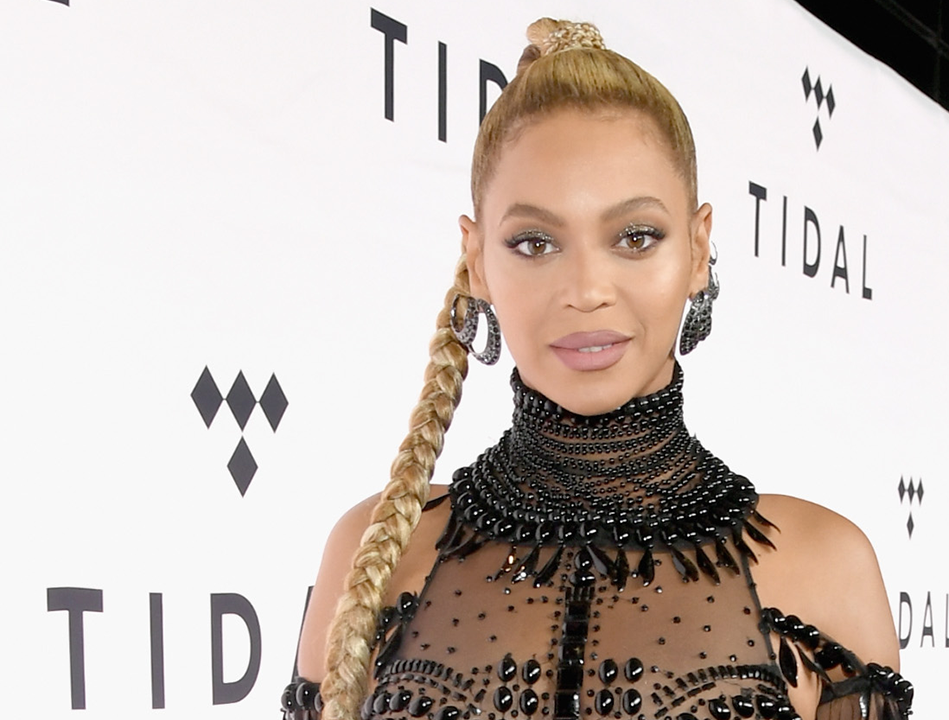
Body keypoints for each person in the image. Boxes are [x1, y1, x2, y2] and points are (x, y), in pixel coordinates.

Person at [283, 18, 913, 720]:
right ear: (477, 260)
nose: (586, 290)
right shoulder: (371, 550)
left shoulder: (827, 568)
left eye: (636, 237)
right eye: (534, 243)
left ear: (699, 249)